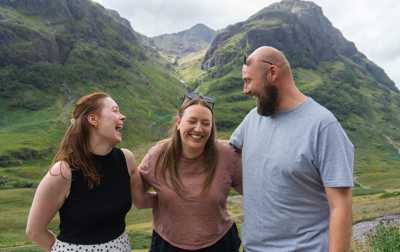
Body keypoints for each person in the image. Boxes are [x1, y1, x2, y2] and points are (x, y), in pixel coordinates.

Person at [229, 46, 354, 252]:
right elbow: (227, 154)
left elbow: (341, 206)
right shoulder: (252, 120)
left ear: (272, 73)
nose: (245, 90)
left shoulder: (322, 126)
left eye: (248, 81)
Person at [26, 92, 152, 251]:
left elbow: (141, 200)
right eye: (115, 110)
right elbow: (34, 231)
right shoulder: (63, 172)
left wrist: (181, 196)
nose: (122, 116)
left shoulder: (126, 159)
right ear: (93, 119)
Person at [133, 93, 242, 252]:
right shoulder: (158, 155)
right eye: (192, 121)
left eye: (206, 123)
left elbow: (252, 192)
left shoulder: (227, 154)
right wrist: (166, 199)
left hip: (220, 244)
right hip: (167, 245)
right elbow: (140, 200)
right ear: (178, 123)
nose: (198, 129)